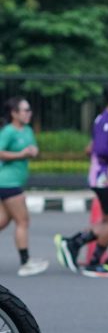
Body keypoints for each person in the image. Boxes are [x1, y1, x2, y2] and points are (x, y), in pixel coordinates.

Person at [55, 83, 108, 277]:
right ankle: (91, 261)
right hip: (103, 180)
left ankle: (91, 251)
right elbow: (99, 149)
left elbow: (91, 148)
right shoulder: (105, 121)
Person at [0, 97, 47, 276]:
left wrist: (33, 151)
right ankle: (25, 262)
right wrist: (20, 154)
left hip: (15, 182)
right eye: (25, 110)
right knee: (23, 221)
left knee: (3, 220)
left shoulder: (27, 130)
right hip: (8, 182)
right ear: (14, 113)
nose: (29, 113)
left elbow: (32, 148)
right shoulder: (8, 131)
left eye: (29, 110)